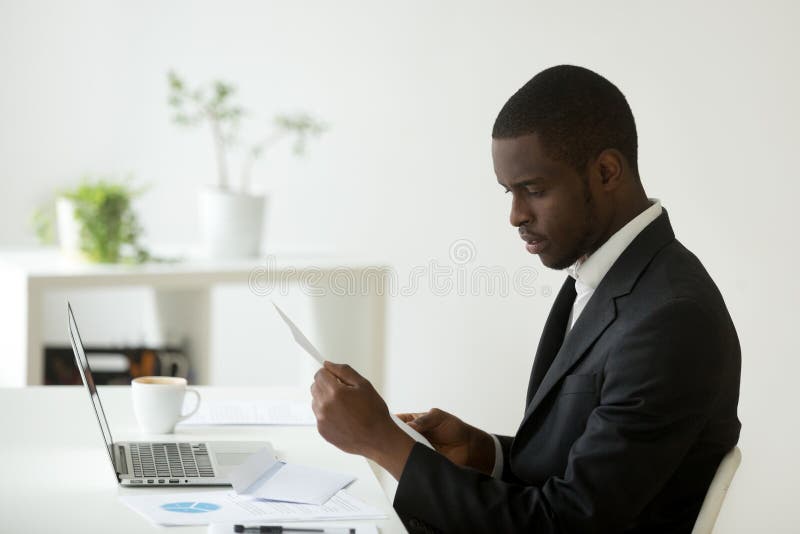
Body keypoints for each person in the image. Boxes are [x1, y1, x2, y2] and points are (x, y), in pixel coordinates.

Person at [310, 65, 741, 533]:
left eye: (533, 190)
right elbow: (581, 474)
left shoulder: (672, 319)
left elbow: (566, 523)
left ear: (606, 171)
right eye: (509, 192)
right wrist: (485, 453)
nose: (515, 215)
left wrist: (383, 442)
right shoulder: (607, 278)